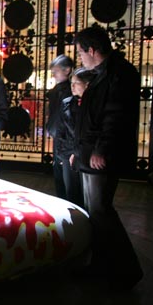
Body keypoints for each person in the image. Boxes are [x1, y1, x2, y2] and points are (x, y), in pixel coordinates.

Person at [72, 25, 143, 290]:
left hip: (100, 156)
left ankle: (126, 271)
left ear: (92, 50)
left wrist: (101, 149)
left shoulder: (119, 74)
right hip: (90, 152)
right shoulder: (103, 73)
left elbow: (115, 116)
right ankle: (101, 266)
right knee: (96, 212)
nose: (80, 58)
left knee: (101, 211)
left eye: (81, 52)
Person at [56, 67, 95, 208]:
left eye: (76, 83)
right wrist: (62, 155)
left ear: (87, 84)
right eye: (71, 83)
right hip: (68, 152)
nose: (72, 87)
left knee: (89, 196)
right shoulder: (67, 103)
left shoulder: (94, 104)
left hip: (86, 153)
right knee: (71, 193)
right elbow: (61, 131)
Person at [46, 54, 74, 199]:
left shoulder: (70, 91)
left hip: (66, 138)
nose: (54, 75)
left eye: (56, 71)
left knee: (66, 176)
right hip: (58, 135)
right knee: (58, 172)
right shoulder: (57, 90)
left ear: (67, 70)